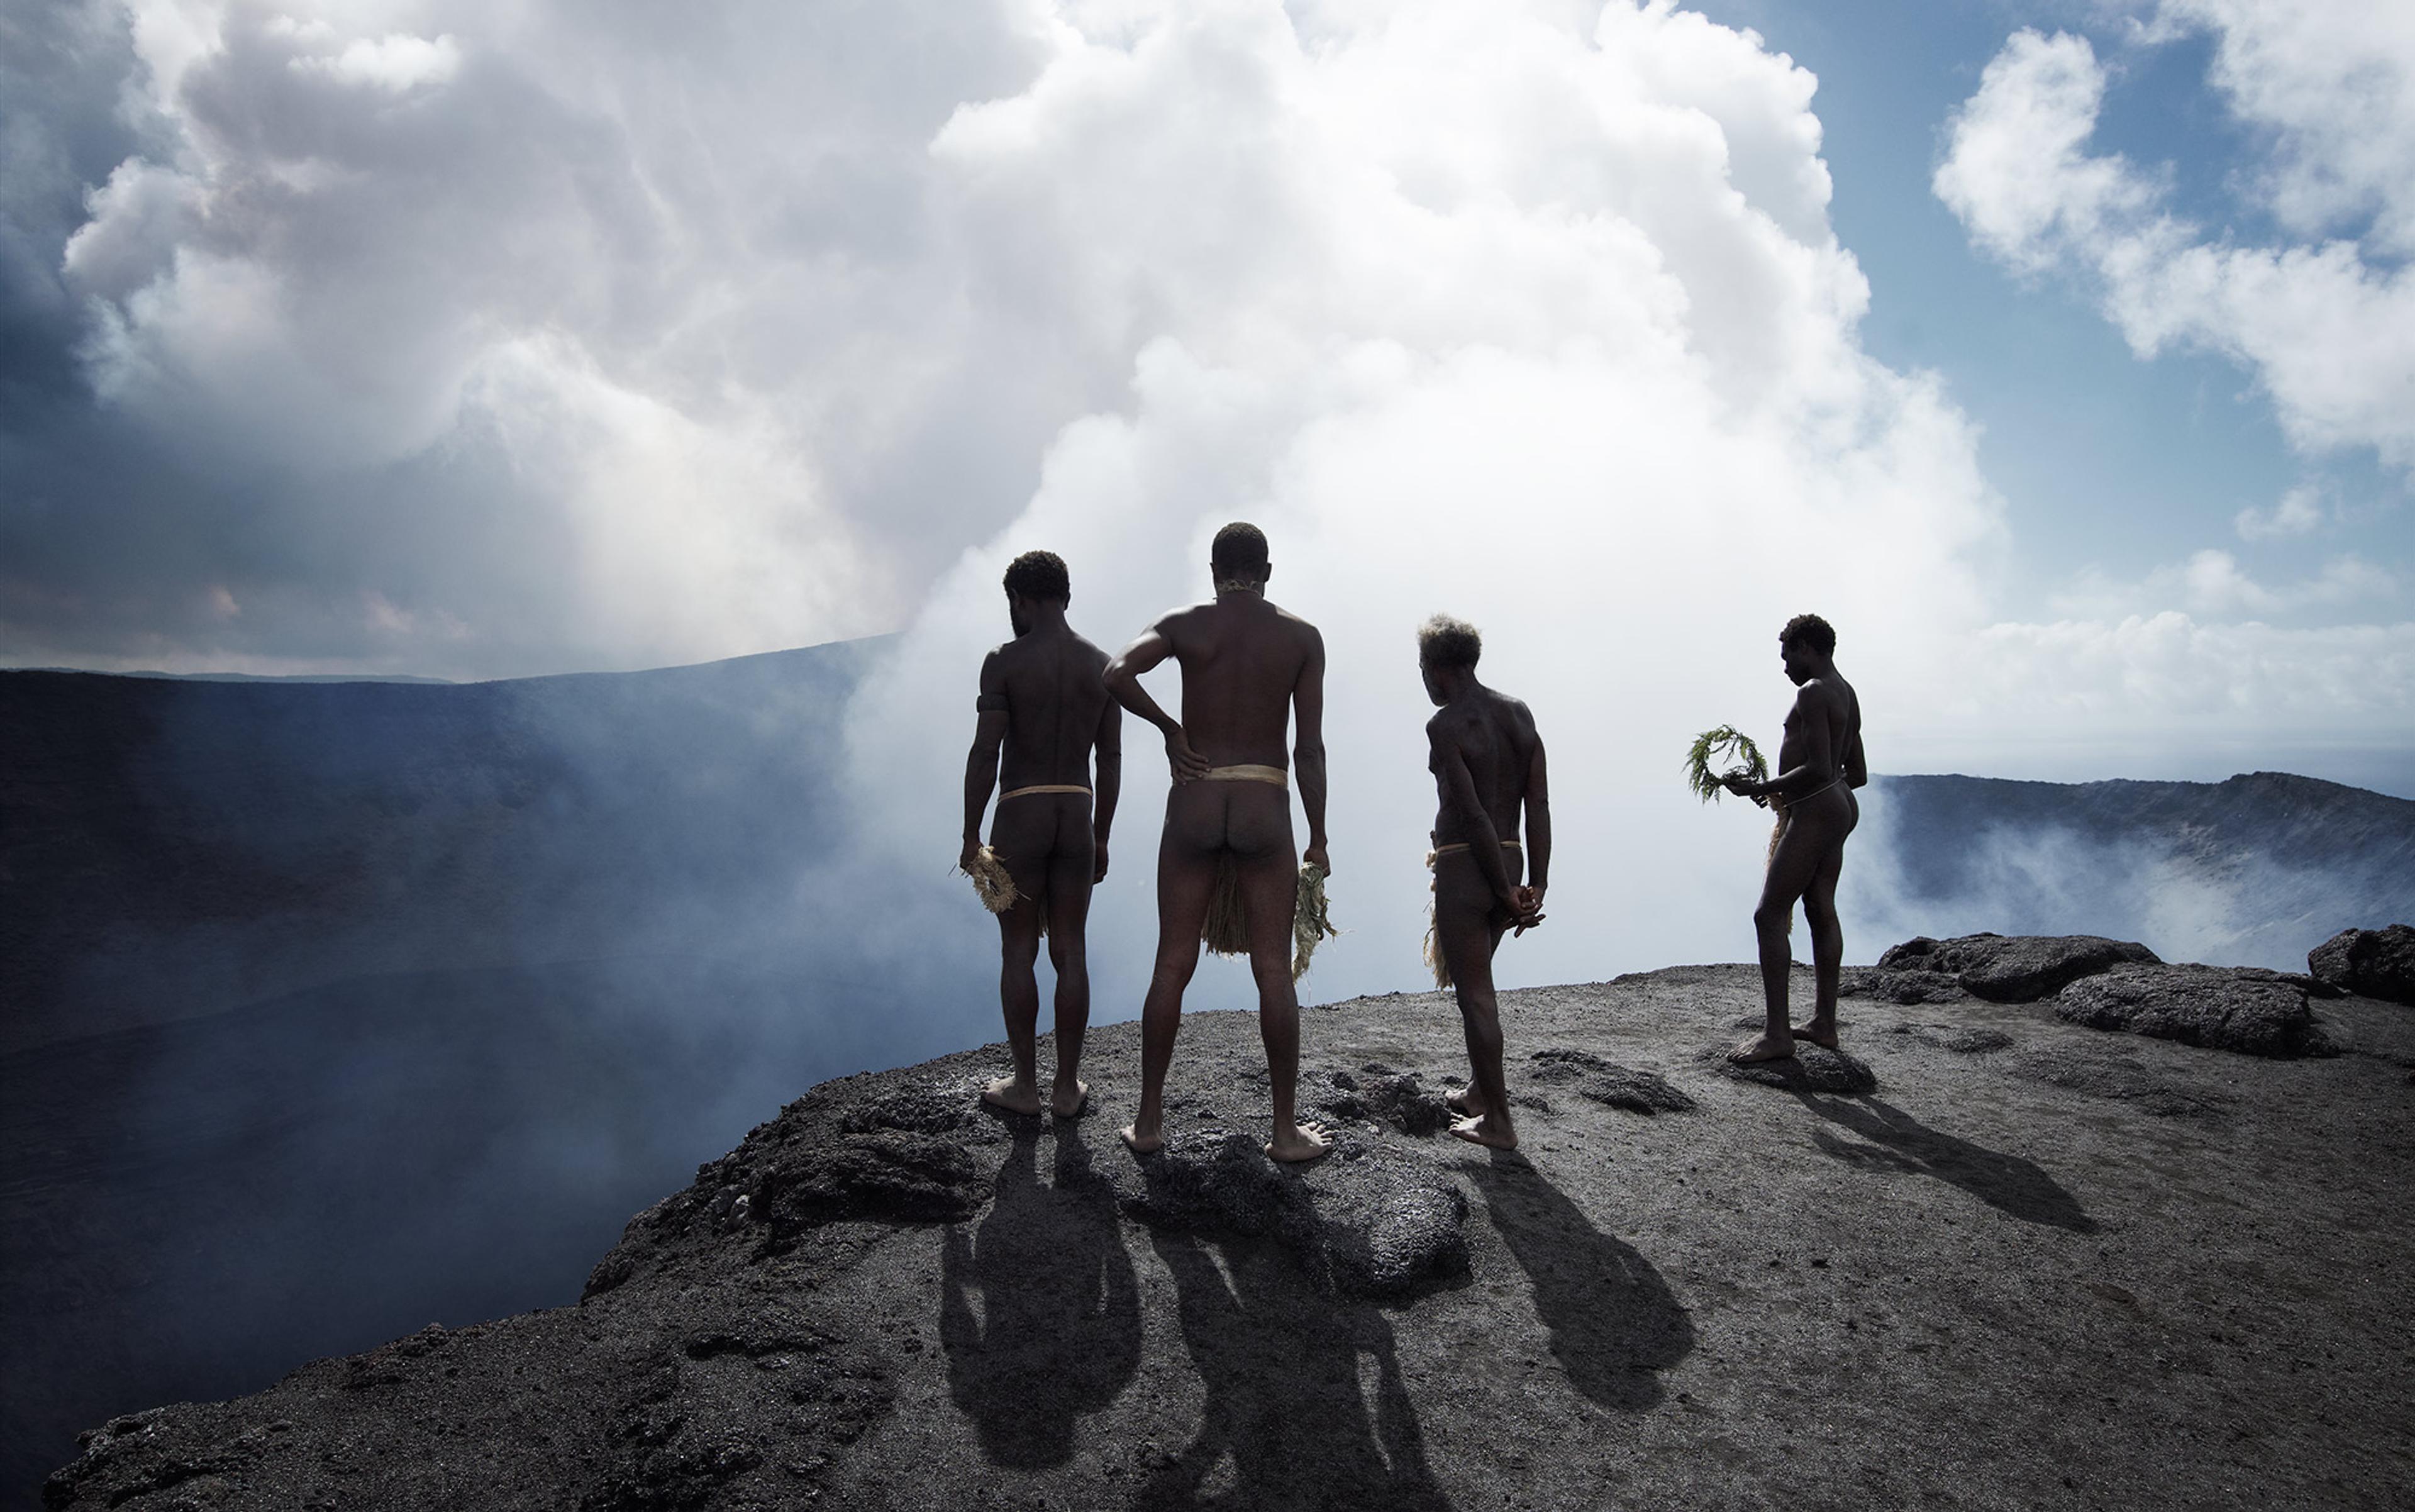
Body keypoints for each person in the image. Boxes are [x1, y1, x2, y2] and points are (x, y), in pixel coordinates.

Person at [1104, 522, 1332, 1163]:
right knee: (1271, 971)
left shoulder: (1184, 623)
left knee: (1171, 964)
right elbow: (1308, 748)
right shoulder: (1301, 637)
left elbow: (1116, 673)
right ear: (1267, 569)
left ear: (1213, 569)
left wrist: (1170, 729)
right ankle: (1285, 1131)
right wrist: (1318, 835)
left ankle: (1149, 1123)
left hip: (1196, 802)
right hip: (1265, 801)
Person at [960, 550, 1122, 1117]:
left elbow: (986, 752)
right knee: (1071, 949)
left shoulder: (1003, 661)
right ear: (1067, 598)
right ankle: (1066, 1088)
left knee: (1018, 950)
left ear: (1020, 602)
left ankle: (1025, 1087)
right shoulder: (1103, 665)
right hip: (1077, 811)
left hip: (1022, 811)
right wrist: (1101, 837)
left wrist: (969, 832)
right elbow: (1110, 762)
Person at [1417, 616, 1549, 1150]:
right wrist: (1533, 884)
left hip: (1468, 865)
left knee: (1476, 996)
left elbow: (1471, 813)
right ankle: (1478, 1090)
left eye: (1423, 668)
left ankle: (1498, 1121)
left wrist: (1496, 890)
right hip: (1514, 859)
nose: (1423, 680)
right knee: (1481, 983)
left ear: (1439, 669)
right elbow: (1537, 803)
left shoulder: (1447, 725)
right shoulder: (1518, 714)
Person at [1721, 613, 1865, 1062]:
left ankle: (1777, 1035)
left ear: (1807, 647)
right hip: (1838, 804)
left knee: (1769, 916)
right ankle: (1824, 1023)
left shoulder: (1813, 692)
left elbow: (1821, 767)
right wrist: (1800, 790)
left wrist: (1762, 788)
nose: (1785, 668)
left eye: (1787, 657)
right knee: (1821, 909)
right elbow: (1856, 773)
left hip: (1819, 810)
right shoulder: (1847, 692)